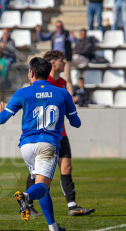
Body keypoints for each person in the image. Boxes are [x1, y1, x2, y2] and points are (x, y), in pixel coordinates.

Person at [0, 57, 81, 231]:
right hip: (47, 145)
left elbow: (1, 120)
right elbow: (76, 123)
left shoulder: (22, 92)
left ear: (31, 73)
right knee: (41, 186)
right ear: (48, 73)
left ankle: (54, 228)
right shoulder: (62, 93)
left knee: (43, 187)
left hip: (26, 146)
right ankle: (26, 196)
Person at [25, 50, 95, 217]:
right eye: (62, 61)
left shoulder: (62, 83)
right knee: (36, 172)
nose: (65, 63)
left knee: (67, 167)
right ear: (53, 64)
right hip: (44, 136)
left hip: (61, 134)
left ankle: (72, 206)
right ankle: (27, 203)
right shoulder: (43, 83)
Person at [35, 21, 76, 95]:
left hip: (65, 58)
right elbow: (42, 38)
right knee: (53, 76)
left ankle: (71, 96)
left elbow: (74, 41)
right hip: (54, 59)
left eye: (60, 26)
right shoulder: (53, 34)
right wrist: (38, 31)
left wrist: (73, 36)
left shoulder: (66, 34)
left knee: (67, 77)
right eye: (57, 26)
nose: (59, 28)